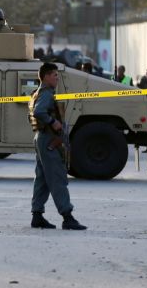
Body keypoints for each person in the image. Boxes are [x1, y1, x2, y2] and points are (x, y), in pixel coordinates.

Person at [28, 62, 86, 230]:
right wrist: (53, 122)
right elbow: (39, 112)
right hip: (49, 140)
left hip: (41, 138)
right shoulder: (46, 93)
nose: (57, 78)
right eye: (54, 75)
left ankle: (37, 215)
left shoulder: (37, 93)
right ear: (46, 76)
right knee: (57, 178)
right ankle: (67, 217)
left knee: (42, 179)